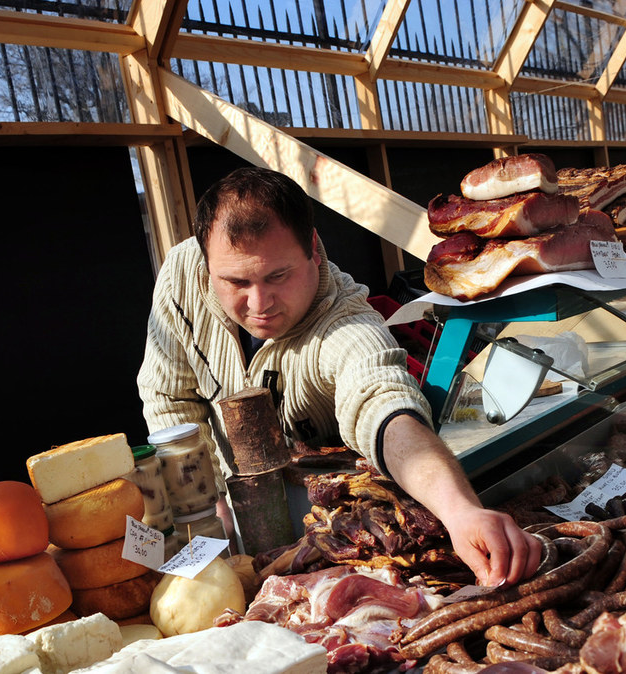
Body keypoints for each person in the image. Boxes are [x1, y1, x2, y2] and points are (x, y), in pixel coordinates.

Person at [137, 166, 542, 586]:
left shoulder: (345, 321)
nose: (259, 303)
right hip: (218, 519)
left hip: (332, 540)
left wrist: (460, 511)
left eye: (278, 276)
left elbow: (384, 403)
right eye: (235, 281)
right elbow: (169, 397)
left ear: (312, 248)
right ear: (205, 262)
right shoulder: (182, 273)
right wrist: (205, 505)